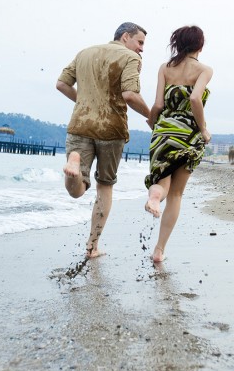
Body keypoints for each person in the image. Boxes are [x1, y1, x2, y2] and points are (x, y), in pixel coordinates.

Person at [56, 22, 151, 259]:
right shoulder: (130, 58)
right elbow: (129, 94)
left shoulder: (85, 52)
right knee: (105, 186)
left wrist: (83, 102)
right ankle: (92, 246)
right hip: (111, 129)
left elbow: (61, 84)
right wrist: (150, 116)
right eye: (140, 42)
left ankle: (75, 162)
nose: (141, 49)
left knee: (77, 191)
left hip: (80, 125)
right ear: (126, 36)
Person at [144, 25, 213, 263]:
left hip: (163, 133)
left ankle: (153, 197)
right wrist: (203, 129)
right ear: (200, 46)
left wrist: (154, 123)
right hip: (187, 135)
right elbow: (195, 99)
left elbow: (157, 106)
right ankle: (159, 250)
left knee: (162, 185)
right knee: (176, 195)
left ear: (178, 44)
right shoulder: (204, 70)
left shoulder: (165, 68)